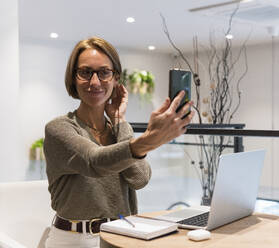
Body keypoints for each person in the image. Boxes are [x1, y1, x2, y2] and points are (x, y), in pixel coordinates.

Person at [43, 36, 194, 247]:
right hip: (76, 239)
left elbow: (140, 178)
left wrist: (119, 121)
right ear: (73, 78)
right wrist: (150, 139)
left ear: (116, 79)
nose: (94, 82)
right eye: (85, 72)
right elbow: (94, 161)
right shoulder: (59, 129)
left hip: (122, 233)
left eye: (104, 73)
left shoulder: (120, 128)